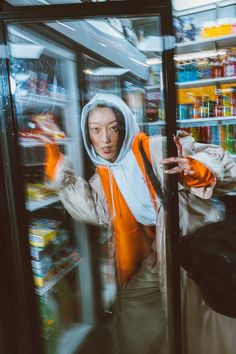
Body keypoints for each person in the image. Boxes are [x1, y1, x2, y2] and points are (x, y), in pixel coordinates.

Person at [42, 94, 236, 354]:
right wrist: (57, 167)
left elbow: (225, 164)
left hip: (192, 243)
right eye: (95, 130)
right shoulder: (106, 173)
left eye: (112, 128)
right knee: (133, 306)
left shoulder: (156, 148)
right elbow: (96, 210)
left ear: (123, 126)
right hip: (159, 250)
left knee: (201, 322)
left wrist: (199, 170)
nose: (105, 139)